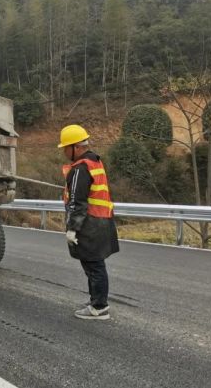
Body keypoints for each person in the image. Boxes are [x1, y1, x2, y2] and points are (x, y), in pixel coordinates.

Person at [58, 124, 119, 320]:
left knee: (94, 266)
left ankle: (99, 307)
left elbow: (77, 202)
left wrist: (72, 229)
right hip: (101, 220)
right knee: (95, 265)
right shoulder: (95, 162)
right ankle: (97, 301)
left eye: (66, 147)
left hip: (89, 224)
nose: (65, 152)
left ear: (76, 147)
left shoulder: (80, 168)